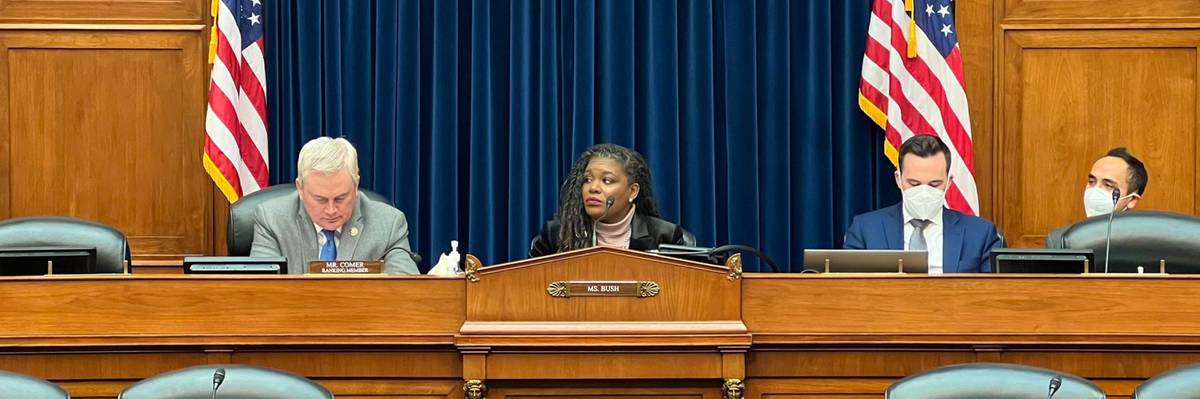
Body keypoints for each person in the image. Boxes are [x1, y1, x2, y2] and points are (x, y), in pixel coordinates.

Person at [250, 137, 419, 274]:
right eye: (321, 199)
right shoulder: (271, 219)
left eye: (341, 198)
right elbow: (260, 292)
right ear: (300, 188)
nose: (331, 210)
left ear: (356, 185)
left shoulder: (388, 224)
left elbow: (405, 292)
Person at [843, 134, 1002, 273]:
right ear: (898, 179)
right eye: (914, 184)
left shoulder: (980, 234)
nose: (924, 192)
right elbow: (847, 291)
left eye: (934, 184)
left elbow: (995, 295)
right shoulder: (865, 230)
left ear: (949, 182)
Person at [530, 143, 693, 257]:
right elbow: (526, 289)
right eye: (587, 179)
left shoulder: (665, 237)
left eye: (607, 181)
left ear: (633, 191)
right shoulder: (555, 235)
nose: (593, 188)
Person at [1082, 147, 1147, 218]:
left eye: (1108, 185)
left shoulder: (1140, 229)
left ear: (1132, 200)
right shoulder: (1075, 229)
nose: (1095, 191)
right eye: (1091, 182)